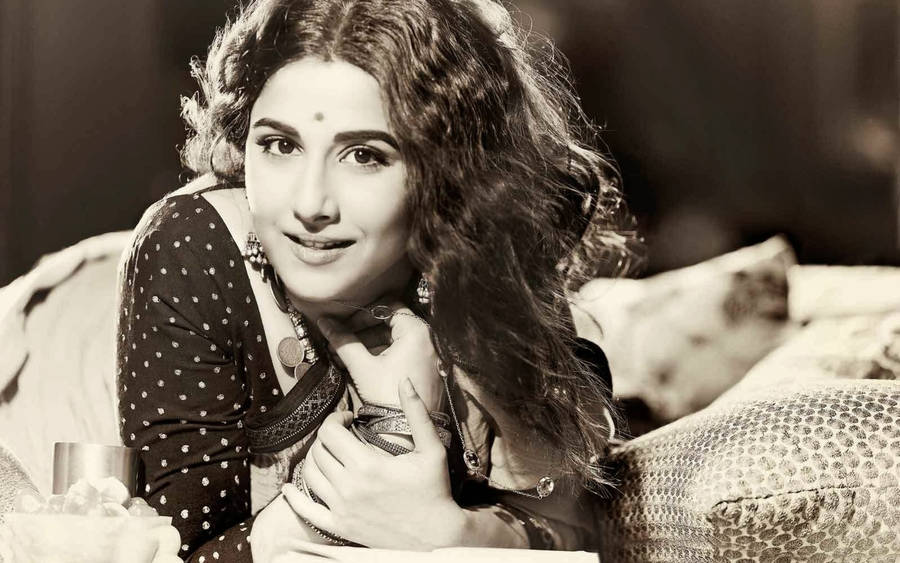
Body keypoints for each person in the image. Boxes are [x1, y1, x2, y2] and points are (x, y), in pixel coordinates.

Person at [116, 0, 638, 560]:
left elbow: (574, 530)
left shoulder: (486, 250)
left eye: (363, 155)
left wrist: (451, 534)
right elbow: (175, 553)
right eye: (280, 145)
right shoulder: (191, 249)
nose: (310, 204)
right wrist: (388, 436)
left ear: (451, 172)